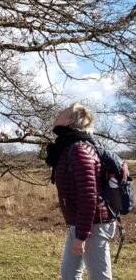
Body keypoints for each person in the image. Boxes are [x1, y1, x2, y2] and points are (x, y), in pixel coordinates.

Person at [46, 103, 116, 280]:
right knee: (69, 274)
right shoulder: (68, 146)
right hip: (81, 222)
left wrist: (82, 235)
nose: (58, 112)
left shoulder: (79, 150)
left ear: (70, 120)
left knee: (100, 277)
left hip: (94, 224)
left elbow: (88, 195)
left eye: (63, 111)